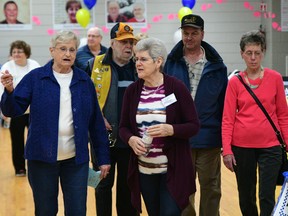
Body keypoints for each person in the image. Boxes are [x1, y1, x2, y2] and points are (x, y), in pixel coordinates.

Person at [0, 30, 111, 216]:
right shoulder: (36, 78)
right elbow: (12, 110)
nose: (68, 54)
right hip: (41, 159)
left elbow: (96, 123)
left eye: (72, 50)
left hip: (75, 161)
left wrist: (103, 158)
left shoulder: (84, 81)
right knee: (46, 210)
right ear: (52, 50)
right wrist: (10, 91)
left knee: (77, 211)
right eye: (63, 49)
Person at [119, 37, 200, 215]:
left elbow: (194, 125)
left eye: (143, 59)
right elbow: (123, 127)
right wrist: (131, 139)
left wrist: (171, 129)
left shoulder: (176, 87)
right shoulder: (132, 91)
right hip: (145, 170)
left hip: (172, 169)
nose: (138, 64)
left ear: (158, 62)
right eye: (136, 59)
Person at [164, 14, 228, 216]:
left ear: (202, 34)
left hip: (208, 138)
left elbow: (223, 106)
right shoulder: (171, 64)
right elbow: (164, 98)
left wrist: (223, 139)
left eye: (194, 33)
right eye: (185, 33)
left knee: (211, 188)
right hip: (180, 138)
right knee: (183, 189)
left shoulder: (217, 66)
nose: (189, 37)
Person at [222, 30, 288, 216]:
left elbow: (283, 115)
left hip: (271, 146)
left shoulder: (275, 78)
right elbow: (228, 118)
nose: (253, 58)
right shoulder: (234, 82)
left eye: (257, 53)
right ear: (242, 53)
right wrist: (227, 150)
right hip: (242, 147)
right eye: (249, 53)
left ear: (263, 52)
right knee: (246, 195)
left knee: (267, 194)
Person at [86, 22, 138, 216]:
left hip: (130, 139)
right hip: (102, 139)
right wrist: (98, 117)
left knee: (128, 187)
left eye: (131, 42)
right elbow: (84, 98)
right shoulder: (94, 64)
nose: (129, 47)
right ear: (112, 43)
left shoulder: (138, 66)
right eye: (124, 42)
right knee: (102, 186)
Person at [0, 40, 40, 176]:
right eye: (14, 52)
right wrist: (3, 109)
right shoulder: (7, 66)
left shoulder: (34, 65)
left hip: (33, 110)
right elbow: (2, 89)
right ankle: (20, 168)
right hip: (16, 111)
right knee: (17, 140)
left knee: (36, 138)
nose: (16, 54)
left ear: (26, 53)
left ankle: (37, 164)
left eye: (19, 51)